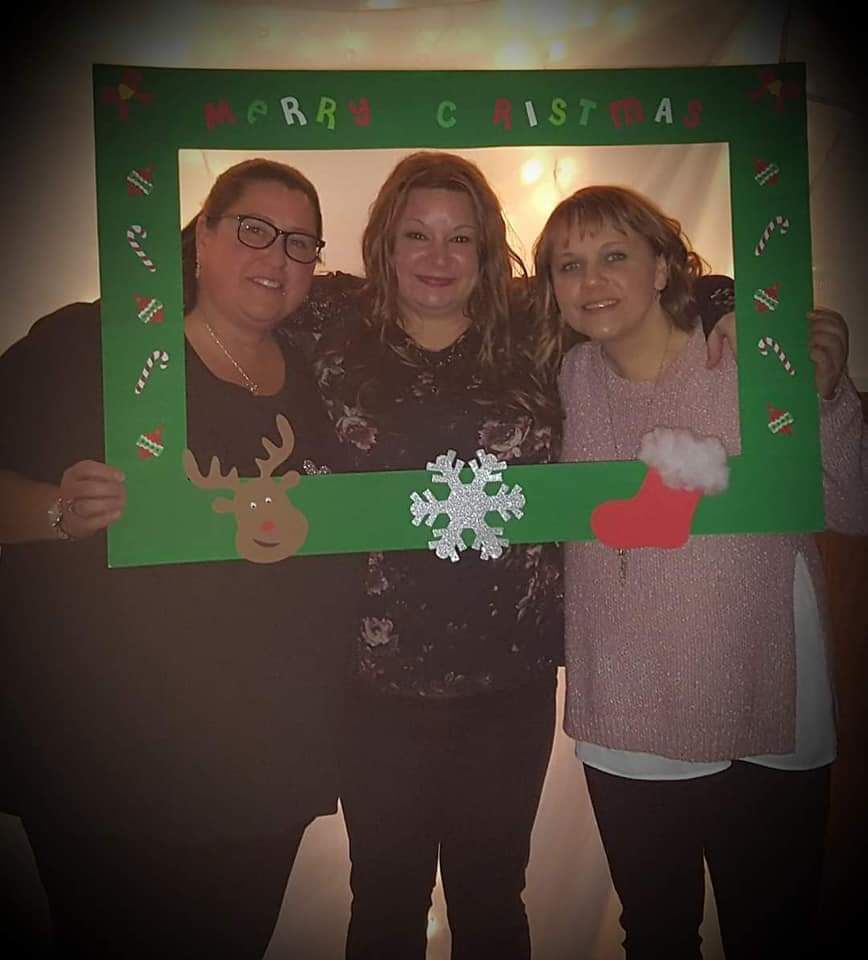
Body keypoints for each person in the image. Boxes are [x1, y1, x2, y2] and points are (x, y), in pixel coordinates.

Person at [0, 159, 363, 958]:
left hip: (264, 761)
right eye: (254, 230)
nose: (277, 257)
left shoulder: (320, 371)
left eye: (300, 243)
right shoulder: (95, 344)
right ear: (202, 235)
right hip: (113, 754)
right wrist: (57, 511)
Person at [531, 184, 867, 959]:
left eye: (614, 256)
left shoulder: (744, 356)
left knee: (773, 932)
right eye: (569, 265)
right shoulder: (561, 381)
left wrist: (825, 396)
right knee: (656, 935)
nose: (591, 281)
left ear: (662, 268)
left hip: (764, 692)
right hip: (630, 708)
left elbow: (852, 505)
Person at [282, 151, 564, 960]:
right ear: (385, 243)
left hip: (509, 683)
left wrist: (729, 310)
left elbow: (663, 287)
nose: (439, 257)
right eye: (418, 235)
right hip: (375, 686)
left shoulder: (534, 326)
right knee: (384, 901)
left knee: (493, 900)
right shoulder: (331, 320)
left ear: (486, 249)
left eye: (460, 238)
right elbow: (207, 275)